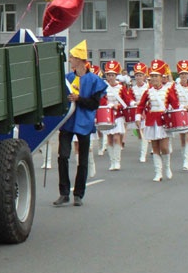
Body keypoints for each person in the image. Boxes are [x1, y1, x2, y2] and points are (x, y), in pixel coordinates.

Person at [53, 40, 107, 207]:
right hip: (67, 122)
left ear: (80, 60)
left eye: (72, 57)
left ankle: (78, 194)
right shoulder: (67, 78)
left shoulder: (94, 80)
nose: (70, 60)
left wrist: (79, 99)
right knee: (63, 156)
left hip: (84, 122)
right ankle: (64, 193)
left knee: (82, 160)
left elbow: (94, 104)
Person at [136, 59, 180, 182]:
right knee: (155, 147)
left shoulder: (168, 90)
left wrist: (180, 112)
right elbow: (140, 106)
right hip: (151, 121)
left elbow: (175, 104)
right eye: (152, 76)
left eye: (156, 76)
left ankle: (167, 167)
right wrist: (138, 117)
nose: (154, 78)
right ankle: (158, 172)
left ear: (161, 77)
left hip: (164, 121)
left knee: (165, 147)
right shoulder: (148, 91)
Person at [100, 60, 134, 171]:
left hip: (118, 115)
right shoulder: (103, 86)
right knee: (109, 138)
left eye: (112, 75)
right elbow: (101, 99)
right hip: (107, 115)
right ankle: (112, 161)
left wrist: (132, 103)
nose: (110, 77)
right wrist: (109, 104)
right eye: (108, 75)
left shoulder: (121, 87)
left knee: (116, 137)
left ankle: (117, 161)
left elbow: (127, 99)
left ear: (116, 75)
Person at [130, 62, 151, 163]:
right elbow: (129, 98)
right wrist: (134, 102)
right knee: (138, 132)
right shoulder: (132, 88)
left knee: (143, 132)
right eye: (137, 75)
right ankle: (144, 145)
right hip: (136, 111)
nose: (139, 77)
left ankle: (143, 154)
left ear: (144, 76)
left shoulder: (148, 88)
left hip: (146, 112)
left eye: (141, 75)